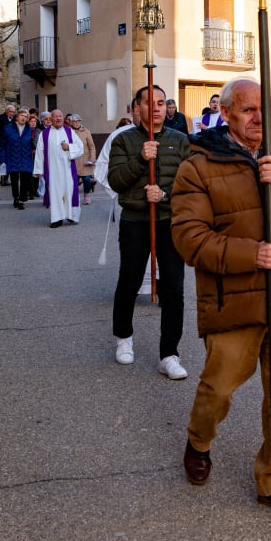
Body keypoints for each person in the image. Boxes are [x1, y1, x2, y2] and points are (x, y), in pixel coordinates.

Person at [172, 79, 271, 519]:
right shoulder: (198, 166)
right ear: (226, 114)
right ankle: (199, 440)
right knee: (218, 388)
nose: (260, 118)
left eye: (266, 109)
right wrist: (251, 254)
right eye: (247, 110)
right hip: (234, 300)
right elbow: (188, 239)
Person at [106, 85, 191, 378]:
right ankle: (123, 338)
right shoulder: (124, 140)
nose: (155, 107)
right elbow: (116, 181)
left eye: (160, 102)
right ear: (136, 108)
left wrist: (164, 194)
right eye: (148, 102)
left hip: (169, 221)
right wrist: (141, 158)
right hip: (135, 221)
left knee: (174, 288)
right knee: (128, 281)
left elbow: (190, 183)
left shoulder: (180, 140)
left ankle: (169, 354)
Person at [33, 109, 84, 227]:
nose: (58, 118)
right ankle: (57, 218)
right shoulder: (44, 134)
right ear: (51, 119)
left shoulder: (70, 132)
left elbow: (80, 147)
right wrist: (39, 170)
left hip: (67, 169)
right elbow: (40, 152)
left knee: (69, 191)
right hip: (52, 170)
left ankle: (71, 215)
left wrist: (69, 147)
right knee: (55, 193)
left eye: (60, 116)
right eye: (55, 117)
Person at [4, 108, 37, 209]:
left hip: (26, 157)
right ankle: (15, 197)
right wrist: (3, 159)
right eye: (22, 116)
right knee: (14, 180)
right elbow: (3, 144)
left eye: (26, 117)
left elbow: (31, 141)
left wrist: (33, 147)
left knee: (25, 179)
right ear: (17, 116)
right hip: (13, 156)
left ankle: (22, 200)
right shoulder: (8, 128)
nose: (24, 118)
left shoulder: (29, 129)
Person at [68, 114, 98, 205]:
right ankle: (74, 197)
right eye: (74, 121)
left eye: (78, 121)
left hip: (85, 160)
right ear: (71, 122)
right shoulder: (68, 131)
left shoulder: (86, 131)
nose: (77, 123)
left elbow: (92, 147)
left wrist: (92, 158)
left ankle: (87, 195)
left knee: (86, 179)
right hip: (73, 160)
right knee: (74, 180)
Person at [0, 104, 17, 186]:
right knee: (3, 161)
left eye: (13, 112)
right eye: (10, 111)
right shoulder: (0, 118)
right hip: (2, 143)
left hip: (11, 143)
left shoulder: (15, 119)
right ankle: (3, 179)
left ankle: (5, 179)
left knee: (10, 160)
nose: (12, 113)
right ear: (6, 111)